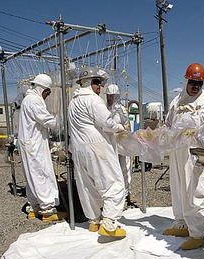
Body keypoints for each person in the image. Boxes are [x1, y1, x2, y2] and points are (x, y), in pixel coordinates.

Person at [162, 63, 204, 250]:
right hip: (177, 152)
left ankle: (198, 233)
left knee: (193, 191)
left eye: (199, 83)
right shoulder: (177, 101)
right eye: (193, 82)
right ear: (187, 81)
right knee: (177, 189)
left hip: (194, 154)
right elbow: (168, 124)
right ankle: (182, 224)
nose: (196, 86)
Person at [68, 68, 127, 236]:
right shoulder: (93, 100)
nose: (99, 87)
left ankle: (93, 220)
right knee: (114, 183)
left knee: (88, 186)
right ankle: (108, 223)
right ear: (87, 82)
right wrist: (119, 128)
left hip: (79, 148)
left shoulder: (73, 102)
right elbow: (107, 123)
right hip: (96, 147)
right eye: (97, 83)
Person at [18, 73, 65, 222]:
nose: (47, 95)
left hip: (29, 143)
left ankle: (34, 207)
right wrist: (61, 120)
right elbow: (47, 121)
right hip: (34, 145)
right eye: (47, 92)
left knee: (32, 175)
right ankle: (47, 210)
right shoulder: (34, 100)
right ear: (41, 88)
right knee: (42, 174)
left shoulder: (28, 99)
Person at [105, 84, 133, 208]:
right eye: (109, 96)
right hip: (111, 143)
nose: (110, 98)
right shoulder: (105, 108)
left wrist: (121, 130)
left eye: (112, 96)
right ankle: (115, 195)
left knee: (124, 169)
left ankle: (126, 194)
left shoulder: (121, 109)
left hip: (122, 143)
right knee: (112, 169)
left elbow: (127, 126)